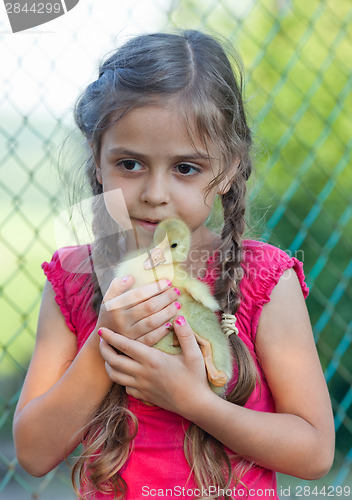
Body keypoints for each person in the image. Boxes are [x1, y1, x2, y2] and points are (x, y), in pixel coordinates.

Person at [13, 30, 335, 500]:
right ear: (97, 160)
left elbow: (314, 453)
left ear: (226, 170)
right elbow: (34, 453)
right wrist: (107, 341)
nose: (155, 193)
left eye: (186, 168)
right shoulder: (73, 280)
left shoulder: (263, 280)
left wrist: (195, 402)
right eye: (130, 164)